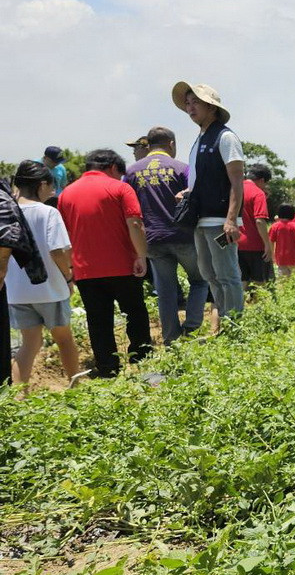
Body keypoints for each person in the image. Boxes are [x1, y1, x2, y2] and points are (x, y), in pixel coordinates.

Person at [57, 149, 152, 378]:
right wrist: (141, 255)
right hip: (123, 265)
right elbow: (135, 223)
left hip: (86, 270)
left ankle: (108, 368)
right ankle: (142, 362)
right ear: (112, 168)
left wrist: (71, 267)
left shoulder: (66, 194)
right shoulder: (120, 188)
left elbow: (64, 235)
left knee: (98, 321)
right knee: (135, 313)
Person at [124, 126, 210, 344]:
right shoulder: (182, 168)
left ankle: (171, 339)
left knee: (166, 291)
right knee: (199, 281)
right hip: (183, 237)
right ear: (171, 144)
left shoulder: (131, 172)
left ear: (149, 144)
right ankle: (191, 330)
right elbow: (197, 196)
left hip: (151, 240)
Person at [172, 80, 245, 320]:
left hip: (220, 220)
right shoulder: (200, 139)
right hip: (201, 220)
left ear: (212, 107)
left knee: (227, 274)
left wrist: (231, 220)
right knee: (208, 273)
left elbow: (236, 181)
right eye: (188, 103)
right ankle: (225, 318)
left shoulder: (225, 138)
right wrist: (189, 193)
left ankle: (237, 325)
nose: (190, 108)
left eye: (197, 103)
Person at [6, 161, 82, 384]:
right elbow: (57, 250)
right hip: (50, 289)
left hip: (17, 291)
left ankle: (17, 397)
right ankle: (75, 387)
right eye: (51, 185)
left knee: (30, 344)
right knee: (64, 339)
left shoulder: (6, 212)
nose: (53, 191)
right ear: (41, 185)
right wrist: (68, 276)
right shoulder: (48, 212)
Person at [239, 164, 275, 291]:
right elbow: (259, 221)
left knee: (242, 280)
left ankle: (237, 309)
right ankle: (257, 308)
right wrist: (267, 245)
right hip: (254, 244)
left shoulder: (234, 188)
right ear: (261, 180)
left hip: (235, 243)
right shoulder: (258, 193)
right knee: (259, 281)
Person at [268, 203, 295, 280]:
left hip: (281, 259)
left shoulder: (275, 226)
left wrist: (272, 256)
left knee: (283, 282)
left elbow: (271, 241)